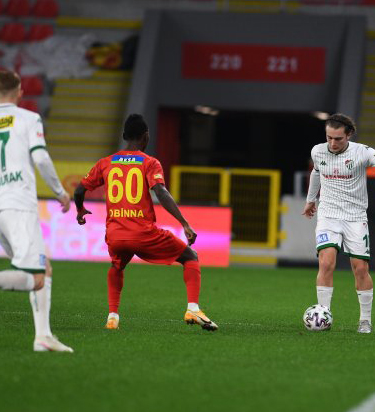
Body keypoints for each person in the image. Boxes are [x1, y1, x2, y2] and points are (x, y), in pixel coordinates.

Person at [73, 114, 218, 331]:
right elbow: (160, 192)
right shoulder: (149, 163)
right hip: (143, 234)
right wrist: (184, 223)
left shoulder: (105, 162)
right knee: (190, 257)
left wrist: (80, 210)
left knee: (117, 266)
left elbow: (79, 190)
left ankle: (112, 317)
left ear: (124, 135)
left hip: (115, 235)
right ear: (146, 136)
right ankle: (193, 309)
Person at [302, 113, 375, 334]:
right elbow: (316, 172)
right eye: (329, 138)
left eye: (338, 139)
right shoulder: (318, 151)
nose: (332, 143)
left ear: (349, 135)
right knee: (326, 263)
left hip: (355, 217)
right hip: (328, 215)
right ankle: (324, 314)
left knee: (360, 268)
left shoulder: (362, 152)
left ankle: (365, 320)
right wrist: (310, 200)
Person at [0, 70, 73, 352]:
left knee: (44, 268)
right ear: (20, 92)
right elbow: (41, 158)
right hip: (17, 204)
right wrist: (59, 192)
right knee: (37, 277)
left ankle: (43, 336)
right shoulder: (28, 119)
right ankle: (43, 336)